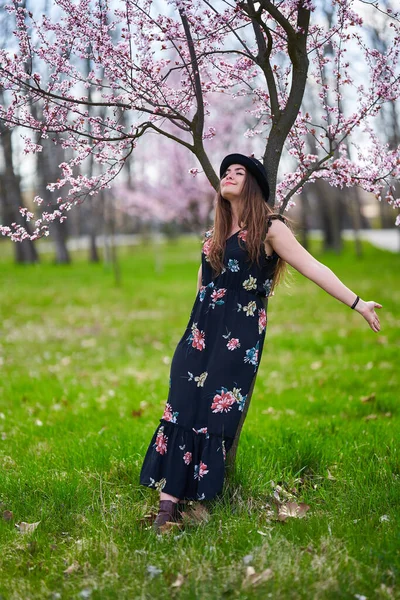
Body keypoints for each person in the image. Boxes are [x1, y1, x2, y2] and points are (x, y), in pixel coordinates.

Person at [139, 153, 382, 532]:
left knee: (215, 413)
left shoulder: (270, 228)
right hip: (199, 333)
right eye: (226, 173)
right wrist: (191, 334)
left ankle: (201, 501)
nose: (230, 176)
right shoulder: (213, 234)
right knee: (181, 406)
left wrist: (358, 302)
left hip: (238, 336)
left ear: (252, 184)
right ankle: (167, 507)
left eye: (239, 172)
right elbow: (202, 287)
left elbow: (313, 267)